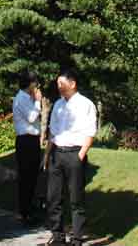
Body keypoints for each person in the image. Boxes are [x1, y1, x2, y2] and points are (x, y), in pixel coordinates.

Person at [45, 68, 97, 246]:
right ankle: (58, 236)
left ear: (72, 84)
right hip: (57, 154)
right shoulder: (58, 105)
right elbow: (52, 132)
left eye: (61, 83)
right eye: (57, 83)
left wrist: (80, 155)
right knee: (53, 197)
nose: (58, 86)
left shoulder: (86, 104)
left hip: (75, 153)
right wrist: (47, 155)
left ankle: (77, 238)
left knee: (76, 199)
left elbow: (90, 132)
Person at [13, 70, 43, 224]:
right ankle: (24, 211)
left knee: (32, 176)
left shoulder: (27, 98)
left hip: (32, 140)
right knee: (26, 177)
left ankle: (28, 209)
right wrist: (38, 101)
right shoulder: (21, 98)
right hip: (26, 141)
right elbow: (31, 118)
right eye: (35, 83)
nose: (37, 86)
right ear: (30, 83)